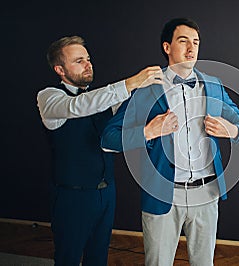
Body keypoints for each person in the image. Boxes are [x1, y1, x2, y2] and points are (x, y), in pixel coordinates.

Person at [101, 18, 239, 265]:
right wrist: (148, 131)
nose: (191, 48)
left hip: (207, 194)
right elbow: (108, 137)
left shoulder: (213, 85)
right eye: (183, 41)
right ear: (167, 47)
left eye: (196, 42)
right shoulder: (145, 89)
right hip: (162, 195)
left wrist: (232, 129)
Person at [37, 35, 163, 266]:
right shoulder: (48, 97)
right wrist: (132, 82)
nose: (88, 64)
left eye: (88, 58)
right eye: (78, 61)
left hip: (107, 193)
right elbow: (77, 106)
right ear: (60, 69)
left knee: (99, 257)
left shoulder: (103, 101)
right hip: (72, 197)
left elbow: (114, 135)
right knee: (68, 258)